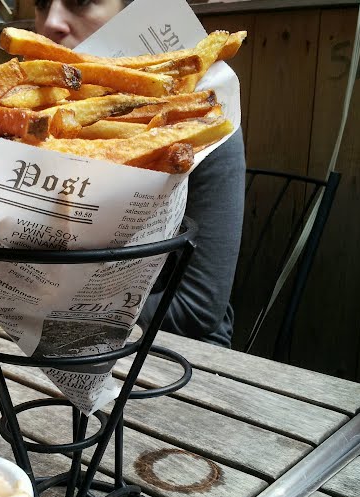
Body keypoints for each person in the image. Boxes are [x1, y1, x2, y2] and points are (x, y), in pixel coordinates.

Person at [34, 0, 246, 348]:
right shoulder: (32, 117)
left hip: (177, 347)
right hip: (41, 340)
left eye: (81, 1)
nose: (51, 22)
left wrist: (52, 312)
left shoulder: (203, 112)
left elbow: (198, 308)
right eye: (41, 3)